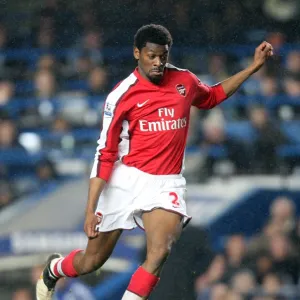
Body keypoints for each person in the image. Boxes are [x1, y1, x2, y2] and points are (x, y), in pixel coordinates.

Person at [36, 24, 273, 300]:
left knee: (160, 250)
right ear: (137, 53)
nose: (158, 62)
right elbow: (105, 153)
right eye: (151, 56)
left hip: (166, 182)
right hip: (126, 178)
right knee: (92, 261)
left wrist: (253, 68)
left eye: (163, 56)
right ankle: (54, 269)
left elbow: (212, 97)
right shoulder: (122, 94)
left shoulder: (184, 80)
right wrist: (91, 209)